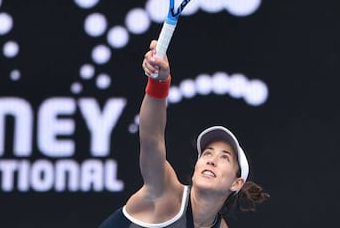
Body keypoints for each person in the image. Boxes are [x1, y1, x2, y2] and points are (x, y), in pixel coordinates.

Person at [99, 40, 270, 228]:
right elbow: (151, 138)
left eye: (224, 158)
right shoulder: (165, 192)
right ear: (196, 168)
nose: (211, 160)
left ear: (236, 183)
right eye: (207, 153)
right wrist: (159, 81)